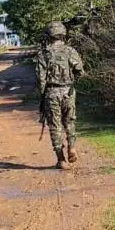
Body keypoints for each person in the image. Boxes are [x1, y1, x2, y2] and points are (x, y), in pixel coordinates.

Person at [35, 21, 85, 170]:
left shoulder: (43, 54)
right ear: (63, 35)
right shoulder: (70, 51)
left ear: (49, 36)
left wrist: (43, 96)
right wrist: (71, 83)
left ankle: (61, 160)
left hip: (51, 93)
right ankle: (72, 147)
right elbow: (80, 71)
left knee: (55, 126)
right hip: (69, 92)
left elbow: (40, 78)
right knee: (70, 122)